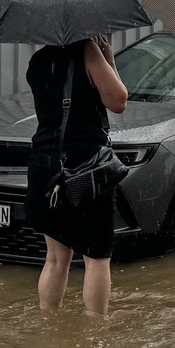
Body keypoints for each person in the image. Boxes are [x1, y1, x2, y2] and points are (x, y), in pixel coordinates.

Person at [25, 37, 128, 316]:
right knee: (96, 257)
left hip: (45, 166)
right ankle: (93, 337)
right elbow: (118, 101)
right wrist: (109, 60)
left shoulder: (38, 61)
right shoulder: (88, 51)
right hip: (85, 169)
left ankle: (48, 323)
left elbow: (51, 114)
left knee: (57, 258)